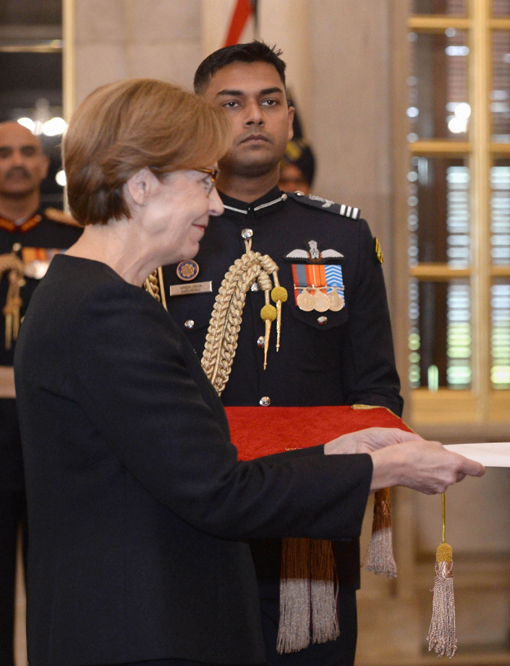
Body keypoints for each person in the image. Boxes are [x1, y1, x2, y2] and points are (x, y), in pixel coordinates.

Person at [13, 78, 483, 666]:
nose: (215, 204)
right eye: (202, 181)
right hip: (146, 635)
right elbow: (220, 494)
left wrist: (337, 452)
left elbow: (188, 466)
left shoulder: (80, 293)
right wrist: (381, 468)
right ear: (141, 186)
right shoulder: (108, 313)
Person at [160, 42, 398, 665]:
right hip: (195, 527)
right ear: (200, 120)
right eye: (232, 103)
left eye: (271, 101)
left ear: (291, 120)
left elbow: (375, 388)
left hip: (308, 534)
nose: (255, 116)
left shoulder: (343, 237)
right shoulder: (163, 236)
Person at [0, 121, 81, 666]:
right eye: (4, 152)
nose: (17, 161)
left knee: (60, 571)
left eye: (28, 151)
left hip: (53, 422)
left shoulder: (71, 237)